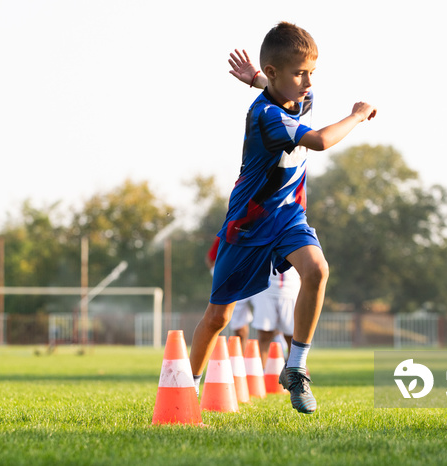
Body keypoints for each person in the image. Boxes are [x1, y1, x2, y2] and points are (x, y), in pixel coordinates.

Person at [190, 22, 376, 414]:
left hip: (288, 216)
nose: (308, 82)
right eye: (299, 73)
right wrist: (357, 115)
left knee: (317, 271)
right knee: (218, 317)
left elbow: (283, 90)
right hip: (248, 225)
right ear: (276, 73)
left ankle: (296, 368)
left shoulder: (294, 97)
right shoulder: (267, 117)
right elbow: (322, 141)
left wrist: (259, 78)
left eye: (311, 73)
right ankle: (186, 390)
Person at [205, 236, 252, 354]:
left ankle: (286, 357)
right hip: (235, 282)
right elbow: (210, 258)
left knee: (272, 325)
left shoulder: (267, 229)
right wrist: (217, 274)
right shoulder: (228, 233)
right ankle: (240, 358)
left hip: (262, 279)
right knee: (238, 325)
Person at [251, 266, 300, 368]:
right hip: (264, 287)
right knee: (264, 334)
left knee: (292, 335)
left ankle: (294, 371)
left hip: (290, 288)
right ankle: (262, 373)